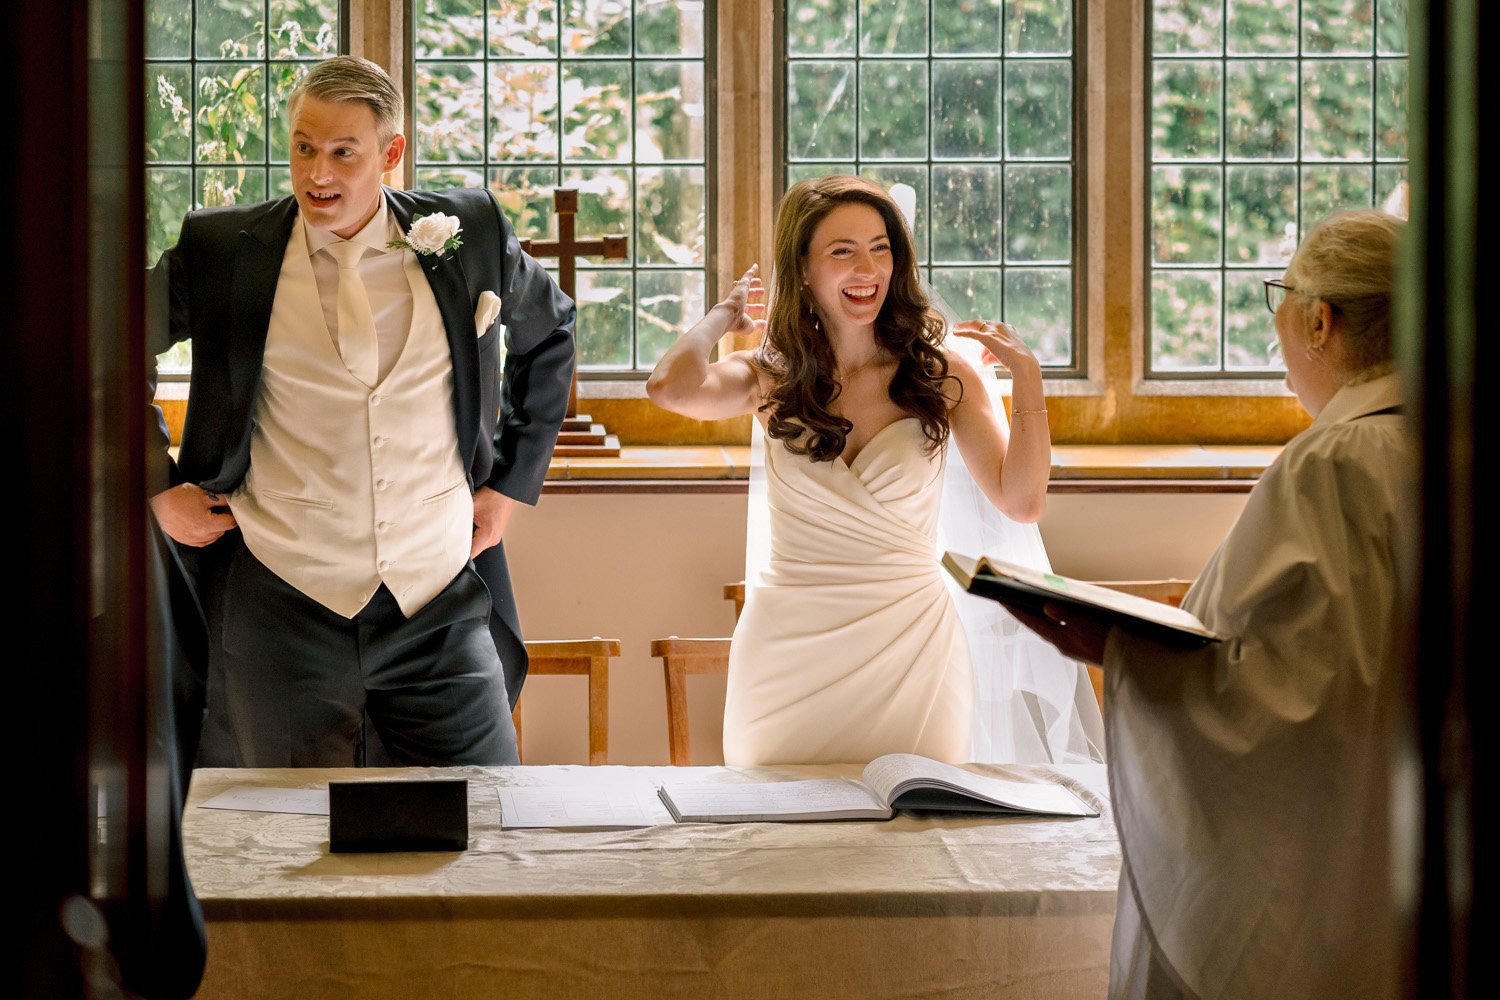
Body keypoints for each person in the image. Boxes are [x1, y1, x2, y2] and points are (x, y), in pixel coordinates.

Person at [989, 209, 1411, 1000]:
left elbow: (1276, 708)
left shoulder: (1334, 464)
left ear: (1319, 320)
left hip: (1332, 887)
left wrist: (1121, 650)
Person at [147, 55, 576, 768]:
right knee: (282, 843)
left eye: (343, 152)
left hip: (435, 601)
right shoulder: (225, 250)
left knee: (483, 824)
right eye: (304, 147)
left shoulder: (467, 233)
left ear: (391, 154)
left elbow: (551, 331)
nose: (319, 172)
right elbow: (102, 339)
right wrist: (153, 486)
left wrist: (510, 485)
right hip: (279, 602)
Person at [647, 173, 1100, 766]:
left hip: (914, 654)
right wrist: (721, 316)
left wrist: (1030, 380)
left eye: (880, 248)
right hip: (787, 659)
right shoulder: (768, 376)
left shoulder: (942, 375)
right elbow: (670, 387)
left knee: (920, 840)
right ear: (803, 269)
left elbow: (1022, 502)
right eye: (843, 251)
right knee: (775, 842)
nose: (867, 268)